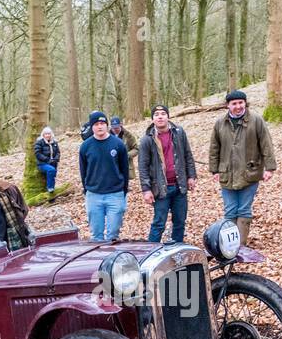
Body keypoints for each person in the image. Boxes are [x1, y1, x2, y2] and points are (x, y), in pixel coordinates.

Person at [209, 90, 277, 247]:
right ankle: (229, 246)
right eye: (234, 104)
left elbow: (266, 144)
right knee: (230, 211)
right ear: (228, 105)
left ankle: (240, 246)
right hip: (227, 174)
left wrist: (270, 167)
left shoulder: (256, 120)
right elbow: (214, 148)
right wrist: (215, 170)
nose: (238, 106)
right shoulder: (220, 123)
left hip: (250, 172)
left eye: (241, 103)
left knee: (244, 210)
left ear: (245, 103)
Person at [138, 104, 197, 244]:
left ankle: (176, 251)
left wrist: (191, 176)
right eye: (156, 114)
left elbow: (188, 155)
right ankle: (150, 252)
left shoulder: (179, 133)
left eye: (163, 113)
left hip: (179, 186)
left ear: (168, 116)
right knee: (159, 223)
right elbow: (143, 166)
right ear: (152, 119)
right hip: (161, 189)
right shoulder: (147, 139)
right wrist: (146, 189)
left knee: (180, 222)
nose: (160, 117)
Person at [79, 110, 130, 242]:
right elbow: (83, 171)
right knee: (96, 236)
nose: (99, 126)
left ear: (107, 125)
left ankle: (112, 261)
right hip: (94, 195)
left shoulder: (118, 144)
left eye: (102, 123)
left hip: (115, 194)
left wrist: (123, 191)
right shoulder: (85, 146)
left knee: (113, 235)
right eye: (96, 124)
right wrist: (87, 190)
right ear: (92, 127)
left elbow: (125, 169)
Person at [34, 127, 61, 193]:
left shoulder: (54, 142)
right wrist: (47, 160)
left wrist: (56, 159)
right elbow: (38, 154)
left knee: (53, 176)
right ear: (43, 135)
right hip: (42, 163)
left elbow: (58, 152)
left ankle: (52, 194)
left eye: (49, 134)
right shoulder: (39, 142)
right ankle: (50, 188)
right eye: (46, 134)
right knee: (51, 170)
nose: (47, 135)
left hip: (53, 163)